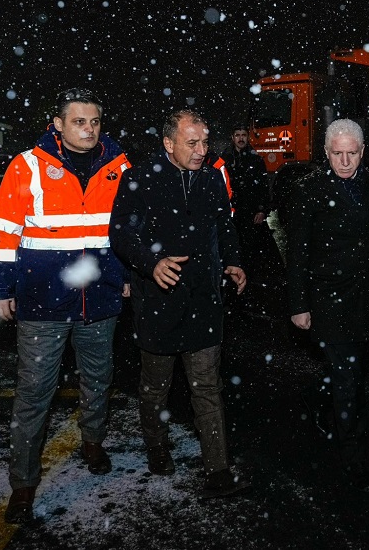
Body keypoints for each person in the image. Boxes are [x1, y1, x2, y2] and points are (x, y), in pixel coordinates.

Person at [0, 88, 132, 524]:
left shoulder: (118, 165)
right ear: (58, 124)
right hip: (42, 302)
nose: (88, 130)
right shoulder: (27, 165)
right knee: (33, 395)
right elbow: (2, 231)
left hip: (100, 297)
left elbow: (128, 227)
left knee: (99, 379)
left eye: (95, 122)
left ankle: (93, 442)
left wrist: (126, 278)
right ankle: (23, 485)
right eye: (79, 122)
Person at [109, 110, 251, 499]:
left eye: (205, 142)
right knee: (156, 387)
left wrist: (234, 261)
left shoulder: (210, 178)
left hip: (204, 300)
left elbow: (224, 225)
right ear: (168, 143)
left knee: (207, 386)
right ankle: (157, 448)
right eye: (192, 143)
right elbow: (119, 233)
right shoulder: (139, 178)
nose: (202, 151)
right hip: (159, 301)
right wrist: (151, 263)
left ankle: (218, 469)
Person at [286, 119, 369, 492]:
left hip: (365, 298)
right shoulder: (309, 189)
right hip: (329, 298)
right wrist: (299, 303)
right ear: (326, 152)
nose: (345, 161)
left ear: (363, 152)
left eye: (352, 153)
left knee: (356, 372)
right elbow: (298, 252)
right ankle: (352, 454)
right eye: (338, 154)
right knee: (348, 379)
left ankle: (322, 403)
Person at [221, 125, 279, 273]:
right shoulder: (225, 158)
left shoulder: (256, 159)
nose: (241, 138)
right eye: (238, 135)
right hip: (233, 211)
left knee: (255, 250)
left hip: (251, 211)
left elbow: (262, 187)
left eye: (244, 135)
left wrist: (262, 210)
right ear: (232, 137)